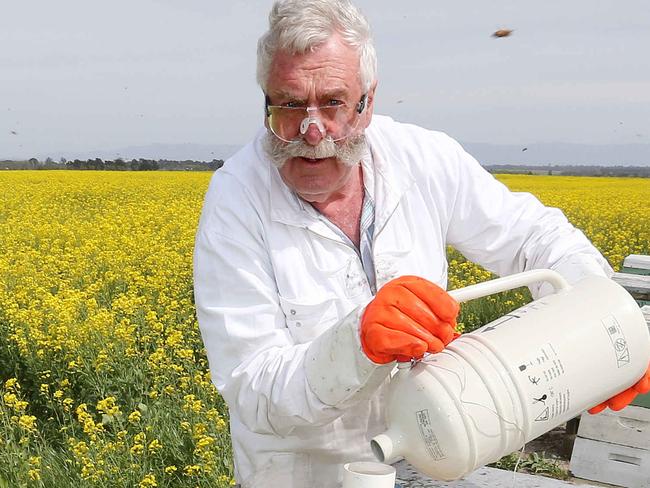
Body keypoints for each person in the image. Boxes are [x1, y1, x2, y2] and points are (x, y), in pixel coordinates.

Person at [193, 1, 650, 486]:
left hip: (437, 458)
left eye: (333, 102)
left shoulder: (422, 158)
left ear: (369, 100)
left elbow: (535, 238)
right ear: (266, 100)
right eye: (288, 104)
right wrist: (357, 343)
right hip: (305, 475)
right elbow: (252, 386)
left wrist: (599, 322)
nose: (311, 131)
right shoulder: (236, 200)